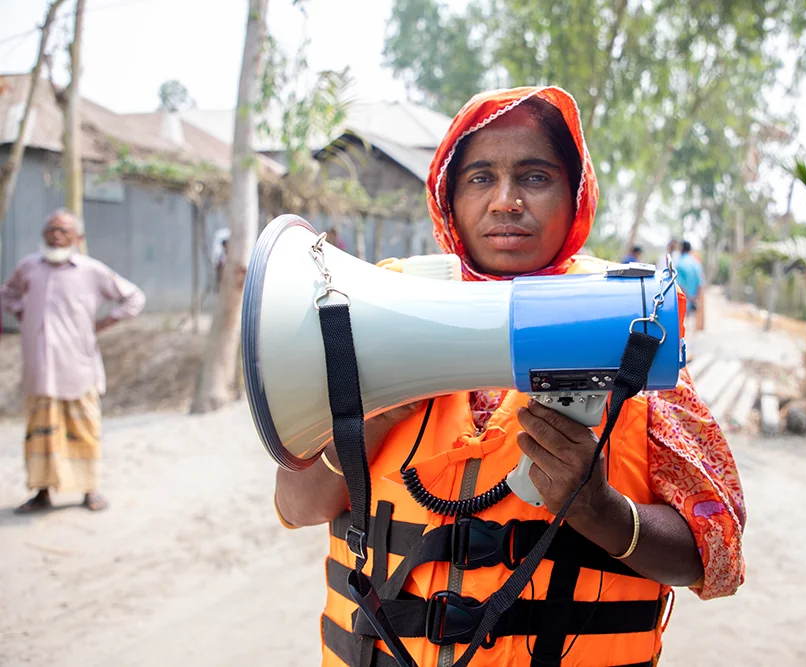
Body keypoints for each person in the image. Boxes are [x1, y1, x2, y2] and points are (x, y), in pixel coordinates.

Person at [273, 87, 745, 667]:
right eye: (479, 178)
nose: (505, 201)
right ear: (447, 193)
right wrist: (370, 418)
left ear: (575, 197)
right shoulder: (370, 309)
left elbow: (717, 558)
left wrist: (599, 508)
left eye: (535, 177)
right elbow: (294, 504)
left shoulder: (632, 323)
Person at [1, 209, 146, 513]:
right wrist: (21, 312)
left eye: (63, 230)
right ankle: (42, 492)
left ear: (78, 238)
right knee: (40, 432)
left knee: (84, 429)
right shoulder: (29, 267)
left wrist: (105, 323)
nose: (56, 234)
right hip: (40, 370)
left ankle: (89, 490)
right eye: (51, 228)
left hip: (78, 367)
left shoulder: (91, 271)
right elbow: (8, 294)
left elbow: (134, 298)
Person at [674, 240, 705, 317]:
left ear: (681, 249)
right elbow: (700, 282)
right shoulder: (696, 263)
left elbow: (679, 284)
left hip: (682, 302)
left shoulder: (679, 264)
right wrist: (694, 298)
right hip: (693, 302)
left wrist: (687, 297)